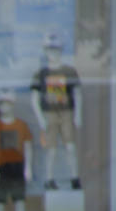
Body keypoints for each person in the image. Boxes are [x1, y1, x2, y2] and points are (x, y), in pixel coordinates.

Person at [30, 33, 82, 191]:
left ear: (61, 50)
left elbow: (77, 94)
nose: (53, 53)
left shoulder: (69, 71)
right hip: (49, 114)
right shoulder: (41, 73)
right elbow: (34, 99)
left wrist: (78, 115)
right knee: (51, 149)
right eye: (50, 50)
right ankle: (49, 178)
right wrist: (40, 119)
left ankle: (74, 177)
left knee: (70, 147)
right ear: (45, 51)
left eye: (56, 50)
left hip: (67, 113)